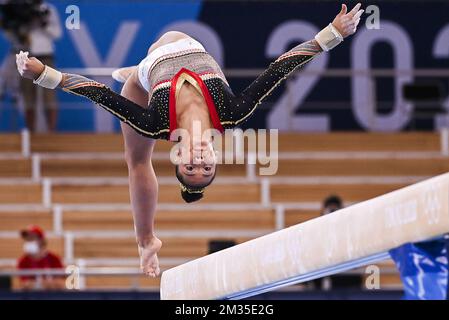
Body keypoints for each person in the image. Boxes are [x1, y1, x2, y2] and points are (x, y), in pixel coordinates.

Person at [16, 3, 364, 277]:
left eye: (190, 166)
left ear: (177, 155)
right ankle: (133, 72)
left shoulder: (154, 123)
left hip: (147, 77)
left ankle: (145, 239)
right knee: (135, 91)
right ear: (215, 153)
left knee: (136, 159)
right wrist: (332, 33)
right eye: (206, 165)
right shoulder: (231, 112)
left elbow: (96, 92)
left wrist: (43, 75)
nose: (198, 159)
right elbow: (280, 69)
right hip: (183, 53)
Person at [17, 225, 65, 290]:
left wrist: (35, 284)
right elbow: (24, 284)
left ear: (41, 240)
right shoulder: (23, 261)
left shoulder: (54, 259)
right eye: (27, 239)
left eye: (32, 238)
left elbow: (60, 283)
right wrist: (47, 284)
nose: (28, 241)